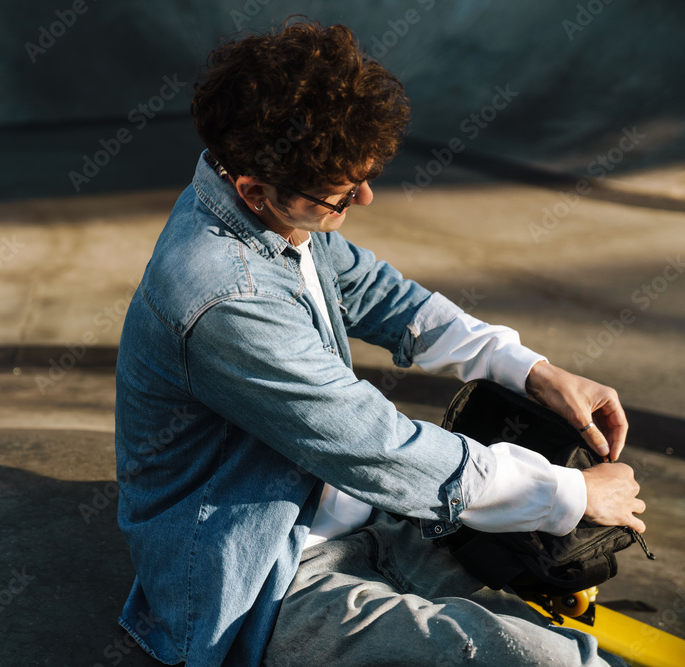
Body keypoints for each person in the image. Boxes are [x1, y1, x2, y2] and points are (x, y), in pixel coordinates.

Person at [113, 20, 645, 666]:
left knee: (534, 537)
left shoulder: (266, 210)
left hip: (355, 518)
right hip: (269, 580)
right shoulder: (226, 298)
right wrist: (572, 493)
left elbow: (380, 294)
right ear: (254, 189)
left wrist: (529, 369)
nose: (363, 197)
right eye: (342, 194)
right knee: (546, 659)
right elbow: (377, 447)